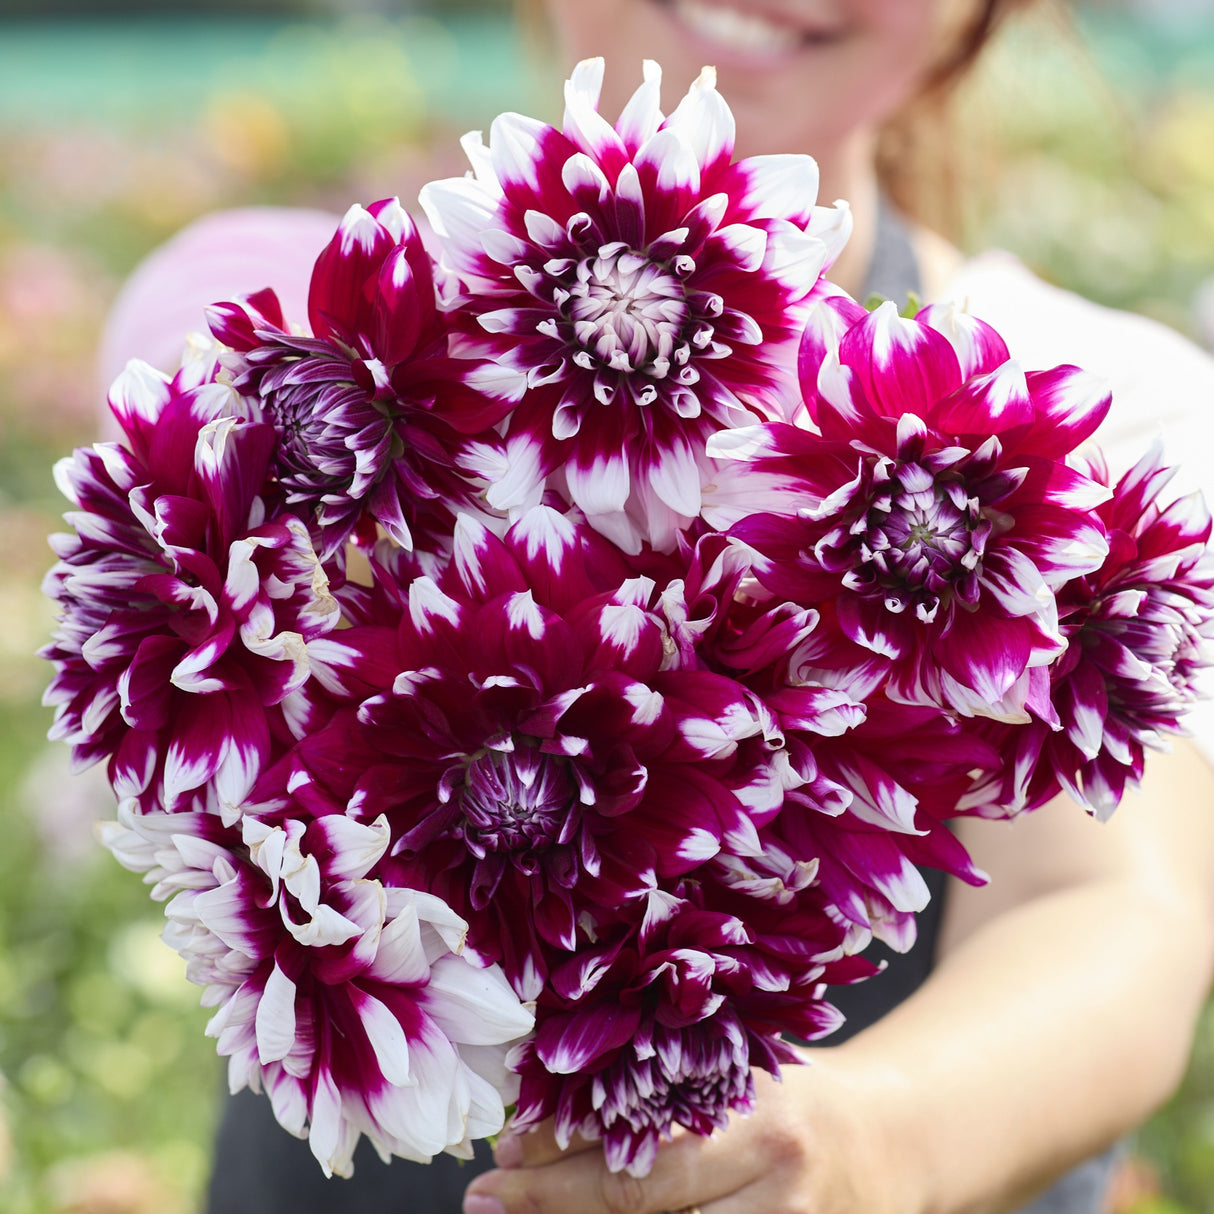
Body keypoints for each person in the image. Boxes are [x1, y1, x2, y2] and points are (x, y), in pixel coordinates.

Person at [100, 2, 1214, 1212]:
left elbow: (1104, 902)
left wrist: (874, 1142)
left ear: (972, 24)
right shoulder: (257, 289)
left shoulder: (1111, 402)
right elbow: (205, 461)